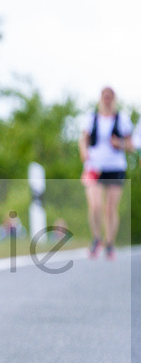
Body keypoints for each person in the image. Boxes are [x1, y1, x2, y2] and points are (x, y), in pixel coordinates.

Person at [78, 87, 132, 260]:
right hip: (94, 166)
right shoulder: (91, 118)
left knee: (110, 208)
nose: (107, 99)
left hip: (115, 167)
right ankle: (96, 238)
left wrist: (120, 144)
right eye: (104, 96)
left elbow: (131, 145)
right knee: (94, 205)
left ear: (114, 98)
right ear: (100, 98)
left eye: (110, 96)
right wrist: (84, 152)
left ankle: (110, 243)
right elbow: (83, 139)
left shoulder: (122, 118)